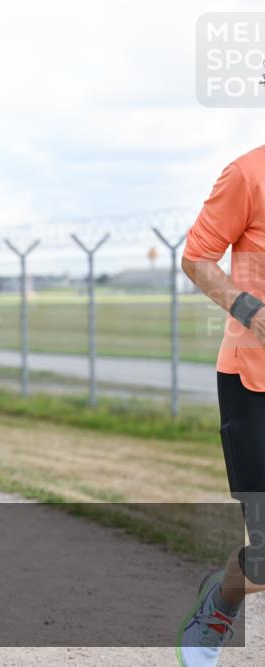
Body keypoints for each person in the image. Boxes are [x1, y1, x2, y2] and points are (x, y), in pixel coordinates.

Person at [177, 145, 265, 667]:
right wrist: (251, 310)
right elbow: (197, 257)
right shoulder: (247, 174)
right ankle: (221, 602)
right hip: (253, 383)